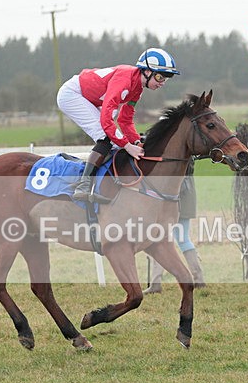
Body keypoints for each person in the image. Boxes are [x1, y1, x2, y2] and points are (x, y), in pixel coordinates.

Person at [56, 47, 180, 202]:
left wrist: (136, 142)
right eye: (161, 77)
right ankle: (83, 185)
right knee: (107, 137)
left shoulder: (137, 88)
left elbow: (125, 120)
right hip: (72, 94)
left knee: (115, 143)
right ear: (147, 72)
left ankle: (103, 185)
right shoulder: (125, 79)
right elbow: (106, 120)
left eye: (166, 79)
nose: (162, 83)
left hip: (91, 98)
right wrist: (127, 146)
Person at [144, 159, 205, 294]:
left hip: (175, 195)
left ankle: (156, 283)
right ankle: (198, 279)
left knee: (161, 238)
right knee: (177, 238)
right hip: (183, 193)